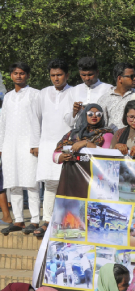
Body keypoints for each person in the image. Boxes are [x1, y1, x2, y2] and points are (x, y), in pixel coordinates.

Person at [0, 62, 42, 235]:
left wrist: (36, 144)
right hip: (10, 145)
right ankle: (18, 220)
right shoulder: (8, 96)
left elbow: (39, 120)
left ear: (28, 76)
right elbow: (2, 122)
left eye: (22, 73)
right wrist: (1, 146)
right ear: (11, 75)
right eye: (15, 73)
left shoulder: (35, 94)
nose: (19, 76)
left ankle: (34, 220)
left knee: (31, 183)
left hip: (29, 145)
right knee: (13, 184)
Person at [35, 59, 72, 237]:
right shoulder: (42, 93)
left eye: (59, 75)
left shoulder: (74, 92)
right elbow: (36, 119)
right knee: (49, 183)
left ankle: (64, 220)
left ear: (67, 75)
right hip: (47, 143)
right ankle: (47, 219)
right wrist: (36, 144)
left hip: (66, 145)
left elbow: (75, 121)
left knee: (65, 183)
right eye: (52, 75)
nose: (56, 78)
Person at [63, 57, 113, 128]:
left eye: (90, 75)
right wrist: (74, 112)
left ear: (97, 72)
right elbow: (68, 121)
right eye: (83, 75)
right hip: (79, 136)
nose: (87, 78)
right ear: (80, 74)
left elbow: (112, 116)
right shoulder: (73, 91)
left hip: (101, 134)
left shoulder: (108, 89)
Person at [99, 62, 135, 130]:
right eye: (131, 76)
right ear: (120, 78)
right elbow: (102, 124)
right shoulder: (105, 99)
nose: (134, 78)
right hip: (113, 139)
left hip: (134, 138)